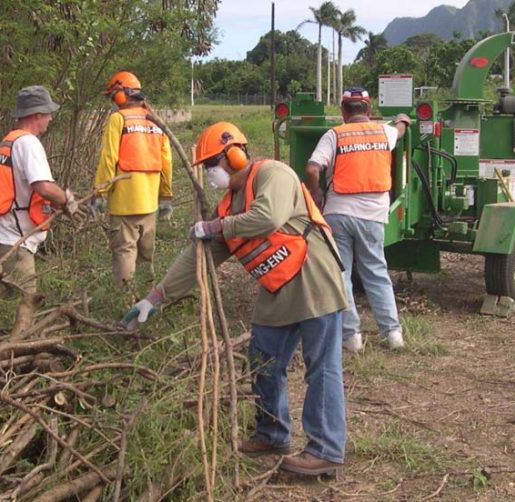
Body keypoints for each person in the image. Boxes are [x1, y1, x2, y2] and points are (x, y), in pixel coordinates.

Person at [122, 122, 349, 476]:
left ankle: (326, 451)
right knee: (262, 360)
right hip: (277, 288)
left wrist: (214, 227)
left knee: (321, 367)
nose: (211, 174)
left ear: (234, 155)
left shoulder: (274, 174)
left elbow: (267, 217)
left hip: (314, 279)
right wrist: (155, 297)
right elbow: (198, 257)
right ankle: (272, 433)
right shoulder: (229, 206)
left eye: (213, 164)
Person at [305, 87, 411, 352]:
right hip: (373, 215)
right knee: (376, 272)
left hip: (338, 213)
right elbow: (399, 131)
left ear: (343, 111)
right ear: (369, 110)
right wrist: (402, 120)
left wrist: (316, 192)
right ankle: (393, 334)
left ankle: (352, 338)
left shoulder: (334, 135)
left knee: (342, 274)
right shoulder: (383, 132)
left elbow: (312, 168)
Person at [0, 85, 80, 295]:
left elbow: (25, 190)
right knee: (24, 309)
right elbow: (43, 187)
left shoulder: (10, 141)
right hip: (13, 245)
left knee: (4, 312)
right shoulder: (28, 143)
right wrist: (66, 200)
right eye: (48, 113)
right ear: (37, 114)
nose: (51, 119)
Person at [92, 71, 173, 292]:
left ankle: (124, 300)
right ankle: (148, 299)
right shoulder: (155, 120)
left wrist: (99, 192)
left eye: (112, 97)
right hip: (150, 202)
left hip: (124, 201)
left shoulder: (118, 119)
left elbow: (109, 158)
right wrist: (166, 195)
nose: (112, 102)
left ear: (121, 95)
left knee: (125, 251)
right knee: (146, 253)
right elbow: (166, 160)